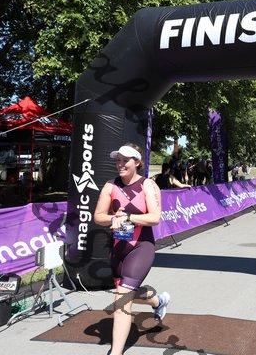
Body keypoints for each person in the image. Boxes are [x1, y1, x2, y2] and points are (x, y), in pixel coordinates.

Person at [94, 143, 170, 355]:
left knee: (122, 298)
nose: (120, 164)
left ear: (137, 162)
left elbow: (154, 217)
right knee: (127, 292)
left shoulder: (148, 185)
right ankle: (159, 301)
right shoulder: (110, 186)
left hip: (141, 247)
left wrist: (128, 217)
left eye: (125, 160)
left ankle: (116, 352)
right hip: (118, 249)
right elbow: (98, 216)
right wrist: (113, 218)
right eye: (117, 160)